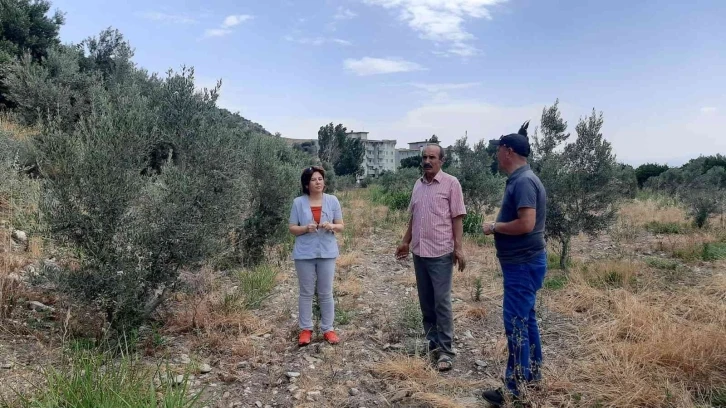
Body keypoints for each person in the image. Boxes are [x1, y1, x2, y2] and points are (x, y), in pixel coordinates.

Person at [480, 121, 548, 407]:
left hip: (522, 265)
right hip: (524, 263)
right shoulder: (525, 179)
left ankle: (514, 388)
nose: (497, 156)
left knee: (516, 324)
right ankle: (532, 375)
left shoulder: (523, 181)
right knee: (526, 319)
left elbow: (526, 223)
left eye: (498, 151)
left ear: (508, 151)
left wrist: (494, 227)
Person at [395, 144, 466, 372]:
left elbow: (457, 218)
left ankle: (446, 350)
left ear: (441, 160)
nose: (427, 161)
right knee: (426, 303)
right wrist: (406, 241)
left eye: (432, 157)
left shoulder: (451, 184)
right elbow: (414, 218)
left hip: (441, 253)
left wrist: (459, 248)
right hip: (420, 251)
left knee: (441, 303)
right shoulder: (418, 184)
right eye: (424, 157)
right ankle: (433, 344)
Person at [288, 166, 344, 347]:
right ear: (306, 184)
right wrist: (305, 228)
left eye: (320, 179)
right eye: (313, 180)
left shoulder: (333, 200)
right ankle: (306, 329)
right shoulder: (298, 202)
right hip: (304, 253)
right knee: (306, 292)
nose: (318, 182)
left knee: (326, 292)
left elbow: (341, 225)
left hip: (327, 252)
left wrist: (332, 226)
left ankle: (328, 329)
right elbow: (292, 228)